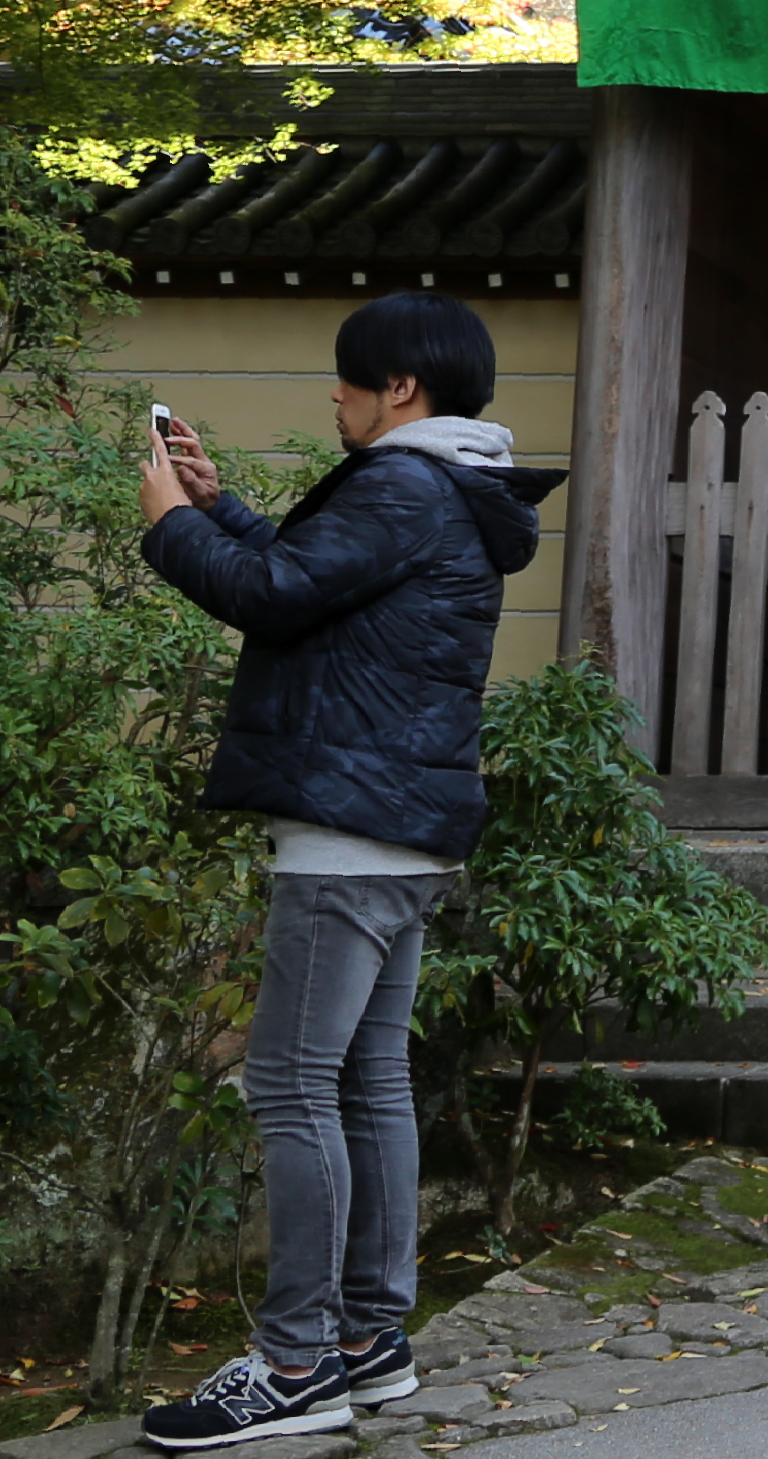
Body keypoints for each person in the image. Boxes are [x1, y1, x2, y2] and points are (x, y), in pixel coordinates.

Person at [131, 293, 558, 1448]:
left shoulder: (402, 484)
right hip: (401, 822)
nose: (336, 395)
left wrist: (171, 524)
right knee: (367, 1080)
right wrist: (227, 511)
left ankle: (295, 1362)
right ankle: (371, 1344)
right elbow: (328, 594)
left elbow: (271, 602)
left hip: (347, 833)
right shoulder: (446, 489)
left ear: (398, 391)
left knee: (290, 1084)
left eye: (347, 380)